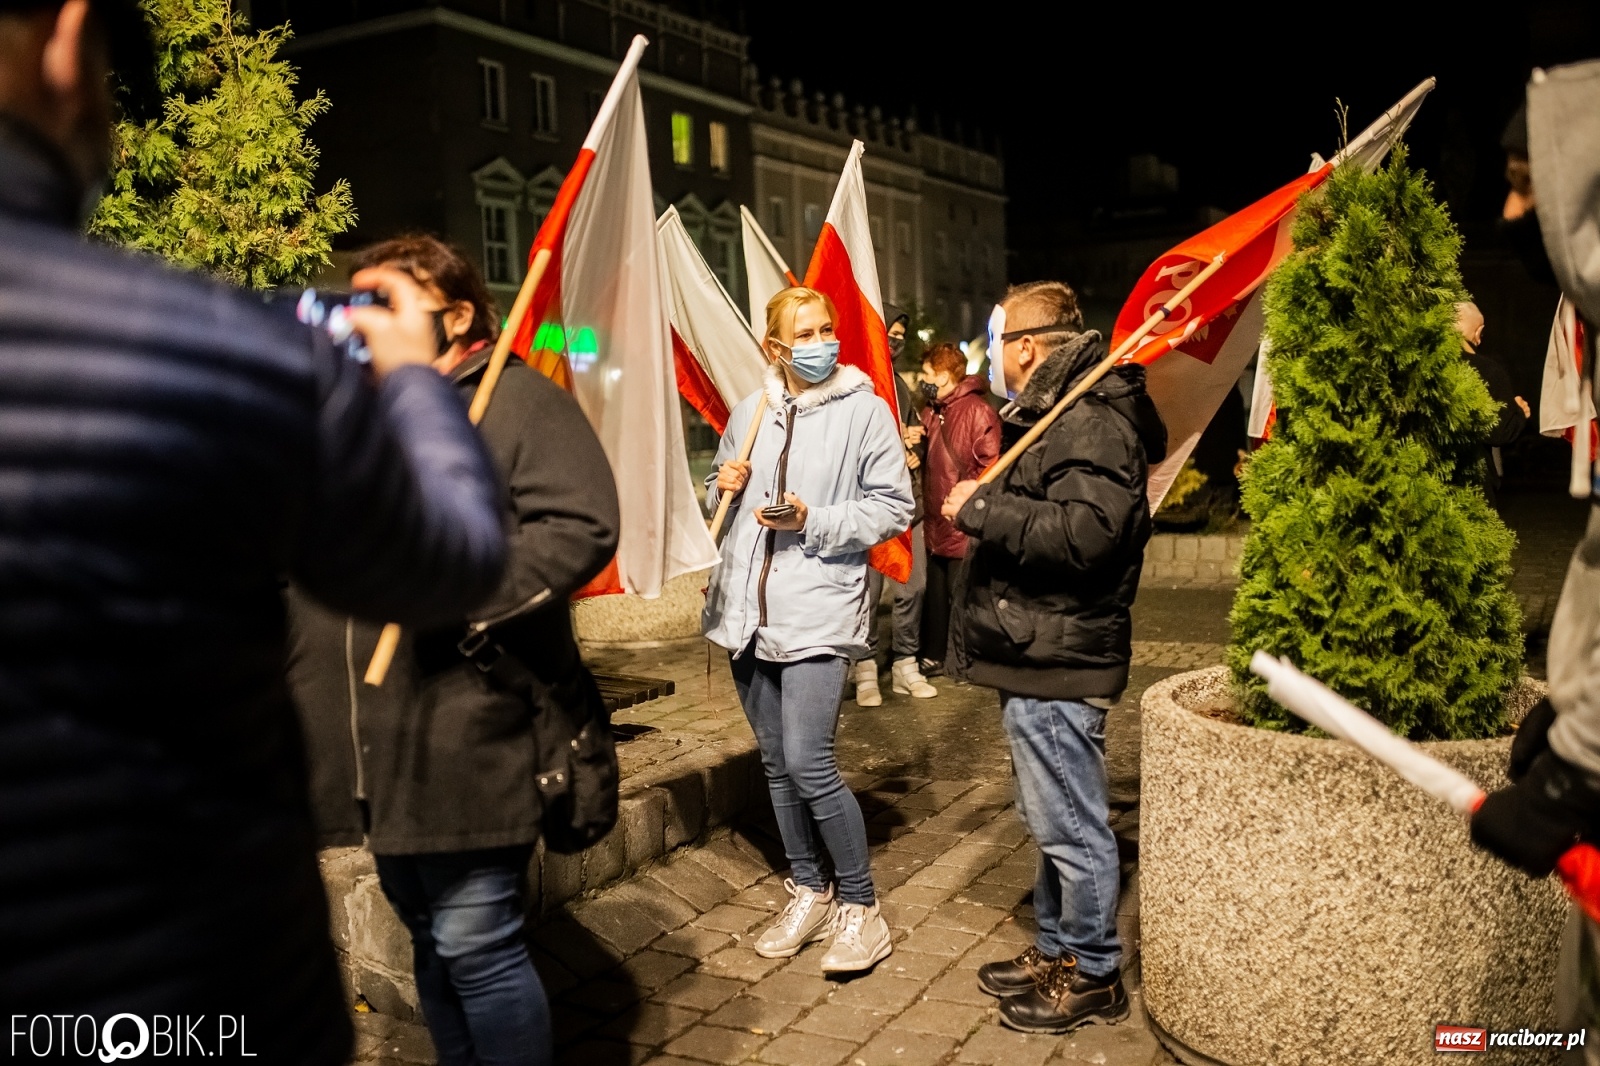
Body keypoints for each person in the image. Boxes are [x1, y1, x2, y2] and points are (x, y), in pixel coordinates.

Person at [0, 6, 508, 1064]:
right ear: (67, 46)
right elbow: (450, 554)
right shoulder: (221, 349)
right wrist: (412, 384)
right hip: (185, 996)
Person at [286, 235, 618, 1066]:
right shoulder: (347, 414)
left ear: (456, 314)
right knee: (430, 944)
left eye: (384, 302)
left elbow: (579, 527)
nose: (359, 319)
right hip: (375, 749)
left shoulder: (513, 402)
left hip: (471, 735)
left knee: (478, 946)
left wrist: (457, 594)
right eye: (350, 302)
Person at [943, 281, 1166, 1034]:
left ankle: (1095, 973)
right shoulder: (1059, 414)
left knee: (1070, 823)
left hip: (1060, 651)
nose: (991, 355)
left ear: (1029, 348)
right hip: (1038, 644)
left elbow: (1088, 535)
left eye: (996, 339)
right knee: (1051, 818)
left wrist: (981, 507)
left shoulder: (1092, 419)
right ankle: (1057, 949)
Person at [702, 286, 914, 974]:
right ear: (776, 349)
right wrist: (721, 483)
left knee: (808, 762)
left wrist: (812, 521)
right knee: (774, 763)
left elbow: (893, 506)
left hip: (819, 609)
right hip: (746, 613)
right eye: (808, 333)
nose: (824, 341)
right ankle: (809, 887)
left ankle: (862, 906)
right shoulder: (751, 411)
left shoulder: (866, 411)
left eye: (829, 329)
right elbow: (720, 496)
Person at [853, 304, 936, 705]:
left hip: (908, 501)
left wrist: (915, 447)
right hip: (868, 501)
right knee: (868, 590)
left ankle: (906, 663)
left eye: (902, 333)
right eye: (891, 331)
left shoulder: (900, 384)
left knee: (913, 585)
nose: (897, 340)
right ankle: (865, 666)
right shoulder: (857, 382)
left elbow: (908, 433)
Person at [916, 341, 1001, 674]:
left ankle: (966, 659)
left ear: (944, 375)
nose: (923, 379)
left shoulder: (977, 410)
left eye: (927, 373)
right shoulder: (932, 409)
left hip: (960, 520)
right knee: (935, 597)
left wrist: (971, 505)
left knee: (962, 595)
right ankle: (936, 655)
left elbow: (991, 465)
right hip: (935, 522)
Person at [1455, 300, 1530, 507]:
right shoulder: (1488, 371)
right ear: (1478, 333)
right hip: (1472, 480)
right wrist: (1518, 413)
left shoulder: (1422, 367)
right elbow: (1500, 432)